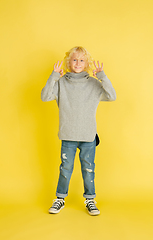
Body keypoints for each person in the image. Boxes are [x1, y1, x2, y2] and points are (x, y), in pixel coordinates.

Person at [41, 46, 116, 216]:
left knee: (88, 168)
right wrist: (53, 77)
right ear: (68, 62)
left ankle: (90, 200)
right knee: (65, 168)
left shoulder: (93, 83)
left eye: (82, 60)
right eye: (74, 59)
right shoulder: (61, 83)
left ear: (87, 63)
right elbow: (45, 97)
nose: (78, 63)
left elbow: (112, 96)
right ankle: (60, 199)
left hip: (88, 136)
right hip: (68, 135)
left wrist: (102, 77)